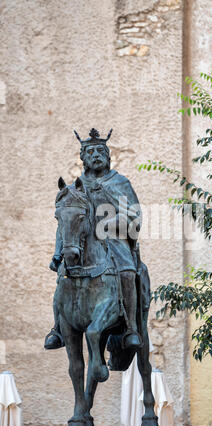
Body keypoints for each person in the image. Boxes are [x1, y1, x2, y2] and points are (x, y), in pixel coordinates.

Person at [44, 128, 142, 351]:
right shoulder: (73, 189)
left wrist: (107, 224)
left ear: (108, 156)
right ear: (83, 158)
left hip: (114, 240)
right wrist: (58, 252)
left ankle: (130, 328)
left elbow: (134, 216)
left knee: (127, 271)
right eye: (90, 152)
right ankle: (58, 328)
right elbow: (65, 223)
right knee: (62, 273)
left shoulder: (119, 182)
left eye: (100, 151)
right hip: (81, 243)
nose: (96, 155)